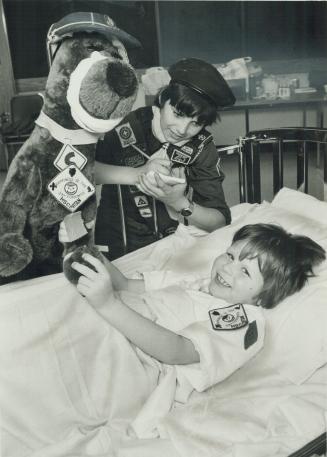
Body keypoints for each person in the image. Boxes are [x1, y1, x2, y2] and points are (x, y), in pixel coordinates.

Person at [69, 223, 325, 382]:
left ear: (263, 295)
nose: (227, 268)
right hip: (114, 319)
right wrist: (87, 250)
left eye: (245, 271)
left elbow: (177, 351)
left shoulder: (242, 318)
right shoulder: (197, 283)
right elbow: (125, 286)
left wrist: (107, 306)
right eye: (230, 255)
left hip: (136, 361)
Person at [94, 58, 236, 260]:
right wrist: (137, 174)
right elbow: (82, 172)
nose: (182, 130)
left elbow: (219, 222)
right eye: (177, 114)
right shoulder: (124, 126)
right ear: (161, 102)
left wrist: (178, 202)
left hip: (173, 246)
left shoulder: (202, 146)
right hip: (119, 239)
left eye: (195, 123)